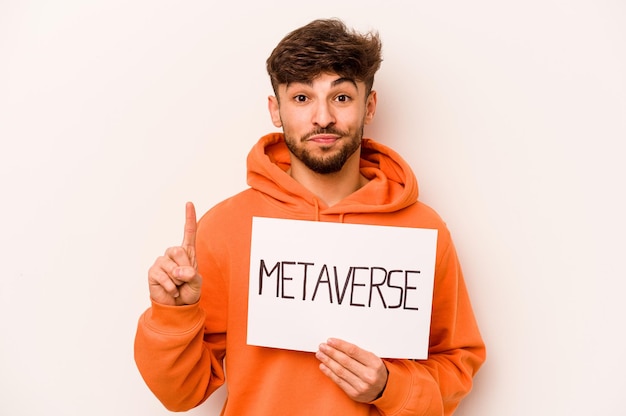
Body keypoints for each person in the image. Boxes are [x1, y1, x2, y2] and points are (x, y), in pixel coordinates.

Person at [134, 18, 485, 415]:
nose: (322, 118)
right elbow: (180, 394)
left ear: (369, 107)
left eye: (341, 97)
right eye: (302, 98)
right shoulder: (229, 227)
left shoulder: (422, 231)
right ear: (275, 109)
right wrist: (172, 314)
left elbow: (457, 364)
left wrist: (391, 386)